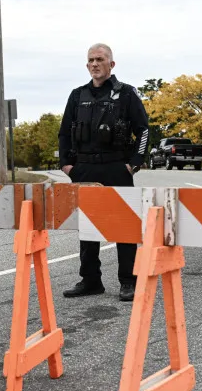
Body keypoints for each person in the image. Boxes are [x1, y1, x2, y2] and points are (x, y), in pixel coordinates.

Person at [58, 43, 150, 302]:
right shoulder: (77, 95)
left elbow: (143, 130)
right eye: (91, 60)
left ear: (112, 64)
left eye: (100, 59)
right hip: (84, 168)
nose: (95, 64)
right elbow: (64, 132)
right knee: (88, 227)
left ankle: (128, 281)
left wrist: (134, 163)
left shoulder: (127, 94)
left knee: (124, 225)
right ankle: (90, 280)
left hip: (116, 166)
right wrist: (67, 165)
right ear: (87, 65)